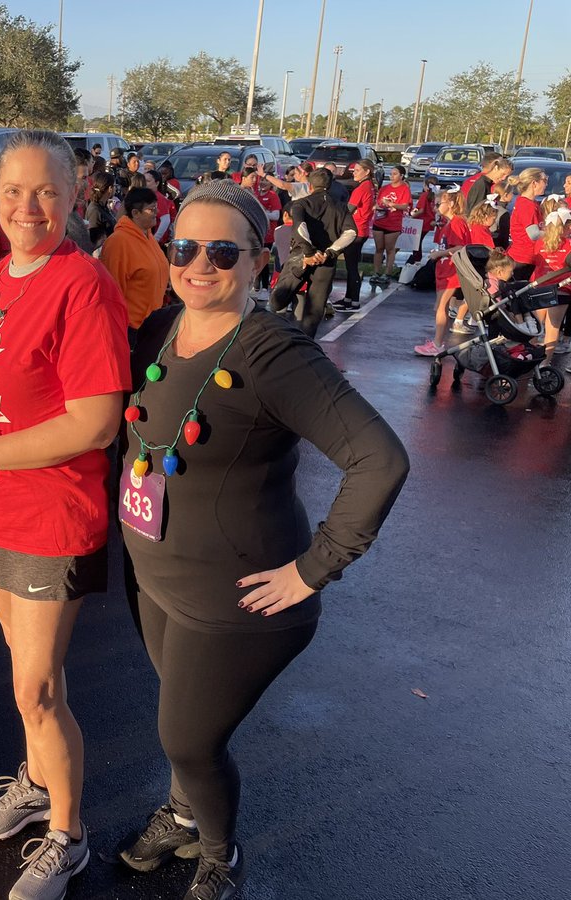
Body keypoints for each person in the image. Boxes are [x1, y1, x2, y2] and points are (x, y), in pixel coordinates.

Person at [117, 177, 408, 900]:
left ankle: (220, 853)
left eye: (223, 251)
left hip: (236, 600)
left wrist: (313, 570)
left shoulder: (274, 352)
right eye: (185, 247)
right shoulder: (164, 325)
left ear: (258, 262)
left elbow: (380, 460)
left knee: (188, 739)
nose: (200, 265)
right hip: (154, 578)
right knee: (181, 717)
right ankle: (185, 812)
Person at [0, 129, 130, 900]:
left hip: (51, 516)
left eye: (46, 191)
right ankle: (40, 784)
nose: (28, 206)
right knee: (26, 680)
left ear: (74, 198)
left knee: (36, 690)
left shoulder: (83, 284)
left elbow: (95, 423)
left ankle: (68, 836)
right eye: (14, 192)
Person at [269, 169, 357, 338]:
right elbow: (351, 233)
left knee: (278, 298)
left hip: (302, 256)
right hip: (326, 261)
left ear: (309, 186)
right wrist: (330, 252)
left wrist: (309, 253)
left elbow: (300, 228)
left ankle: (283, 337)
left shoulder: (301, 204)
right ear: (329, 186)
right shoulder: (340, 207)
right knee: (315, 309)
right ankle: (306, 343)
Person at [101, 186, 170, 343]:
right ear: (135, 213)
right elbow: (112, 293)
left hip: (152, 323)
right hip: (131, 329)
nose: (156, 213)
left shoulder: (148, 236)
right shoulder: (119, 242)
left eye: (156, 208)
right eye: (151, 209)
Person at [413, 189, 469, 357]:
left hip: (451, 271)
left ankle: (437, 344)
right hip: (445, 269)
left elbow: (460, 247)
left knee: (441, 307)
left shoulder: (457, 223)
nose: (435, 207)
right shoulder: (450, 222)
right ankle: (437, 341)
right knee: (440, 307)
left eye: (438, 204)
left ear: (451, 204)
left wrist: (439, 254)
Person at [334, 158, 375, 312]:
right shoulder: (368, 186)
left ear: (367, 171)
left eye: (357, 170)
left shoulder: (362, 188)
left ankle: (354, 301)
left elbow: (348, 210)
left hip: (356, 230)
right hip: (360, 229)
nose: (354, 172)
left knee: (352, 266)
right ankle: (348, 298)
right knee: (351, 265)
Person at [531, 207, 571, 358]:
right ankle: (546, 362)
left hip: (541, 287)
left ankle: (530, 356)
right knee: (553, 327)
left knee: (534, 326)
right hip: (562, 288)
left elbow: (535, 261)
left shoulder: (540, 242)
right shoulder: (569, 244)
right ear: (565, 227)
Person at [506, 167, 548, 281]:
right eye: (545, 180)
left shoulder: (530, 203)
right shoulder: (526, 205)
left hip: (527, 257)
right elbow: (533, 234)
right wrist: (553, 234)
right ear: (534, 183)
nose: (546, 184)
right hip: (523, 259)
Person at [370, 166, 411, 284]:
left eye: (395, 174)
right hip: (380, 220)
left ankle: (387, 272)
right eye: (391, 174)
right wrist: (378, 206)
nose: (392, 176)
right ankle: (376, 272)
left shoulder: (404, 189)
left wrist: (391, 204)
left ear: (401, 176)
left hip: (393, 223)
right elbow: (378, 202)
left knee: (390, 249)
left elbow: (404, 206)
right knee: (379, 248)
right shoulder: (384, 188)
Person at [85, 172, 117, 252]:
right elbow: (93, 239)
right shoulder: (95, 210)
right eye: (115, 186)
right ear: (110, 188)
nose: (116, 189)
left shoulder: (103, 206)